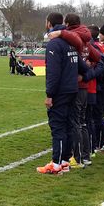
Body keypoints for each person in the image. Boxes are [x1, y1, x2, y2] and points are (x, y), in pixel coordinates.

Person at [37, 13, 78, 175]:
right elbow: (81, 65)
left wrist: (49, 94)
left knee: (58, 127)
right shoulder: (71, 42)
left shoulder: (55, 44)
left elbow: (53, 72)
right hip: (72, 89)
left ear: (49, 23)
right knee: (67, 125)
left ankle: (56, 164)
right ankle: (65, 162)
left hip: (61, 91)